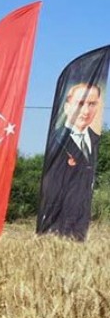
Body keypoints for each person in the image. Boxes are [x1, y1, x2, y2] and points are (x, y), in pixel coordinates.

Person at [38, 83, 103, 241]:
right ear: (67, 106)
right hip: (58, 223)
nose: (86, 111)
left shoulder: (97, 141)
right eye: (80, 104)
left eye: (92, 104)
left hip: (84, 221)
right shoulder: (55, 142)